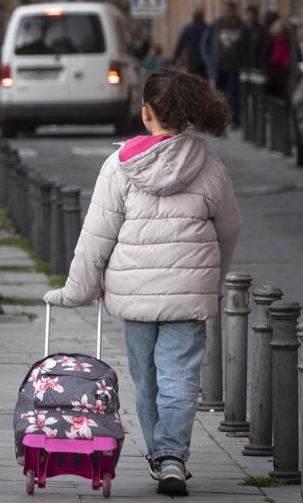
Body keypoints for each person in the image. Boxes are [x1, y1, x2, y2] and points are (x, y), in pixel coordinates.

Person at [43, 69, 240, 497]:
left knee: (146, 377)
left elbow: (97, 235)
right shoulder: (211, 166)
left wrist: (75, 290)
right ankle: (172, 459)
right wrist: (212, 278)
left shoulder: (120, 166)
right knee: (180, 376)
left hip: (134, 299)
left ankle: (160, 455)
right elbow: (228, 231)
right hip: (188, 298)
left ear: (146, 112)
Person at [210, 2, 249, 126]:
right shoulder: (217, 24)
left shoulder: (241, 26)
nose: (226, 13)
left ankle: (235, 119)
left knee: (233, 93)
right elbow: (207, 42)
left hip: (235, 65)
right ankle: (221, 118)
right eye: (225, 10)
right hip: (219, 65)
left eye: (229, 11)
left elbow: (247, 47)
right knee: (220, 94)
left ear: (233, 11)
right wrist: (210, 60)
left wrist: (247, 63)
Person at [261, 19, 298, 98]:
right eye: (276, 35)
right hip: (272, 78)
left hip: (287, 79)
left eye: (280, 34)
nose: (278, 37)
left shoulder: (292, 43)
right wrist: (267, 72)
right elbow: (264, 58)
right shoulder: (271, 41)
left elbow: (298, 59)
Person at [173, 9, 208, 78]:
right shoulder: (207, 28)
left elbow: (180, 44)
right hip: (204, 60)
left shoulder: (188, 28)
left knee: (191, 80)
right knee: (204, 81)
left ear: (193, 17)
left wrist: (174, 58)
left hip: (192, 59)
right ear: (202, 17)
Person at [245, 5, 269, 69]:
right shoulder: (243, 29)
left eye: (252, 14)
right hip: (245, 62)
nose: (251, 16)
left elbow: (265, 46)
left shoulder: (262, 29)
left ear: (257, 15)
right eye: (248, 14)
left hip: (259, 62)